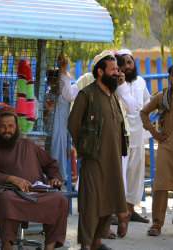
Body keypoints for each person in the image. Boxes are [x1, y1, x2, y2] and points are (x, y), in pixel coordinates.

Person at [0, 106, 69, 250]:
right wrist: (11, 178)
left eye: (10, 126)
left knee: (61, 201)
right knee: (7, 200)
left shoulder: (29, 145)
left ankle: (50, 247)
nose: (7, 130)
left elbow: (50, 163)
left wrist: (54, 178)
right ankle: (7, 246)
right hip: (10, 196)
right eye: (3, 126)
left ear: (17, 127)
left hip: (37, 193)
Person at [68, 51, 128, 250]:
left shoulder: (112, 95)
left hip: (113, 160)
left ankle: (96, 243)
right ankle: (86, 245)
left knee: (107, 201)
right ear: (100, 72)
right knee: (91, 204)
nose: (117, 73)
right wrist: (85, 147)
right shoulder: (88, 94)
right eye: (113, 70)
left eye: (118, 70)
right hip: (93, 160)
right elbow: (73, 124)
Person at [118, 49, 151, 223]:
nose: (126, 66)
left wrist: (144, 111)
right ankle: (118, 213)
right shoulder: (114, 83)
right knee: (119, 173)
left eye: (129, 62)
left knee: (136, 173)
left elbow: (147, 99)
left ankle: (131, 210)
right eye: (122, 63)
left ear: (134, 63)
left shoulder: (141, 81)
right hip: (120, 135)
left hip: (138, 135)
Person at [141, 65, 173, 236]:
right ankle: (156, 224)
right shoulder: (162, 97)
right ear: (169, 77)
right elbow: (144, 113)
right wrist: (153, 132)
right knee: (160, 184)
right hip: (166, 146)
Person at [43, 54, 71, 183]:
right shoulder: (45, 98)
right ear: (49, 82)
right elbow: (41, 121)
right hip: (48, 138)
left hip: (62, 139)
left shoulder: (65, 98)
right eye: (54, 82)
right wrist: (48, 111)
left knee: (60, 167)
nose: (57, 85)